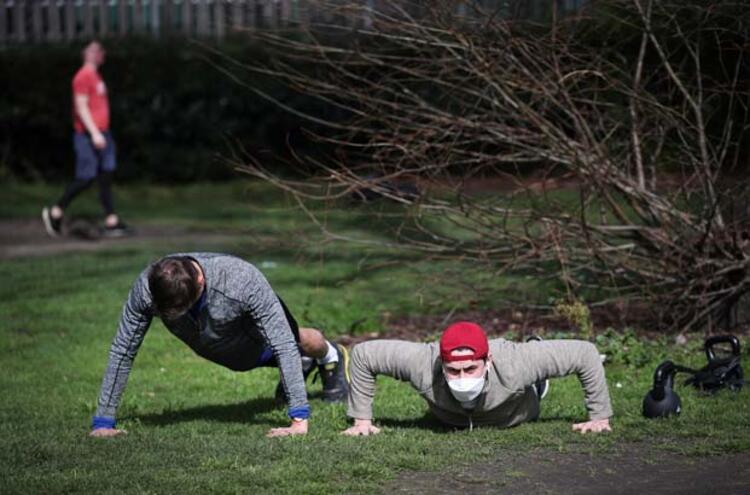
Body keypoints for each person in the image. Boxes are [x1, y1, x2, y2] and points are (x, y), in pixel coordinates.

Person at [90, 253, 349, 438]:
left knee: (299, 341)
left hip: (256, 339)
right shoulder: (148, 290)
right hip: (224, 350)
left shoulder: (241, 280)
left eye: (181, 309)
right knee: (282, 352)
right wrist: (104, 421)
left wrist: (299, 419)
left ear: (200, 283)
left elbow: (282, 343)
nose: (173, 317)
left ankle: (330, 356)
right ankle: (302, 365)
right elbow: (123, 350)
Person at [342, 321, 613, 436]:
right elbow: (365, 354)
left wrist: (599, 416)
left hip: (516, 409)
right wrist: (362, 420)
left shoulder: (515, 362)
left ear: (487, 361)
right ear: (442, 363)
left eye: (470, 369)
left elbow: (586, 354)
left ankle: (538, 382)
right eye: (453, 370)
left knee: (529, 377)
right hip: (449, 417)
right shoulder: (423, 363)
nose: (462, 378)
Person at [42, 40, 128, 238]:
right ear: (86, 53)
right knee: (87, 177)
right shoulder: (82, 77)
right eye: (97, 50)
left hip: (103, 133)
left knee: (106, 175)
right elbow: (81, 108)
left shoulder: (95, 76)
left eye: (101, 50)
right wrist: (94, 133)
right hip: (89, 135)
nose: (101, 53)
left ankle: (111, 220)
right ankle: (56, 211)